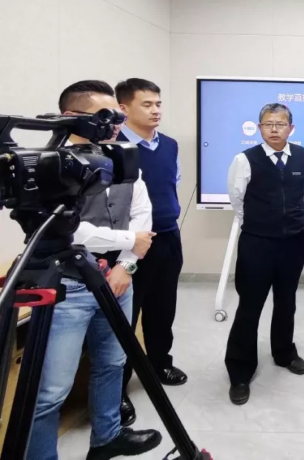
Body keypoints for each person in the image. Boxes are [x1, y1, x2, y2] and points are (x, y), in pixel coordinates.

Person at [27, 80, 162, 460]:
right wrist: (127, 240)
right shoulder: (50, 164)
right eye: (105, 117)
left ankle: (107, 438)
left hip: (117, 280)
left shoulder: (121, 158)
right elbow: (69, 230)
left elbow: (142, 216)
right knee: (51, 390)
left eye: (116, 116)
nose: (114, 124)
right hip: (66, 287)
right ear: (72, 117)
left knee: (113, 363)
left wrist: (126, 266)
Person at [225, 102, 304, 405]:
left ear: (291, 128)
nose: (274, 129)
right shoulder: (244, 159)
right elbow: (237, 201)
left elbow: (303, 191)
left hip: (294, 242)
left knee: (287, 301)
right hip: (257, 243)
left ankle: (284, 352)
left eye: (280, 124)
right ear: (260, 127)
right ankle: (239, 371)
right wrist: (261, 224)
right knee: (250, 306)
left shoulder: (303, 156)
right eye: (268, 124)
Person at [115, 78, 187, 425]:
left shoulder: (169, 145)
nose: (156, 110)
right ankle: (116, 388)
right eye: (147, 104)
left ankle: (159, 363)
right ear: (123, 108)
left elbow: (172, 183)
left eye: (158, 103)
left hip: (168, 236)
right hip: (129, 244)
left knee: (163, 306)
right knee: (124, 317)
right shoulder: (113, 147)